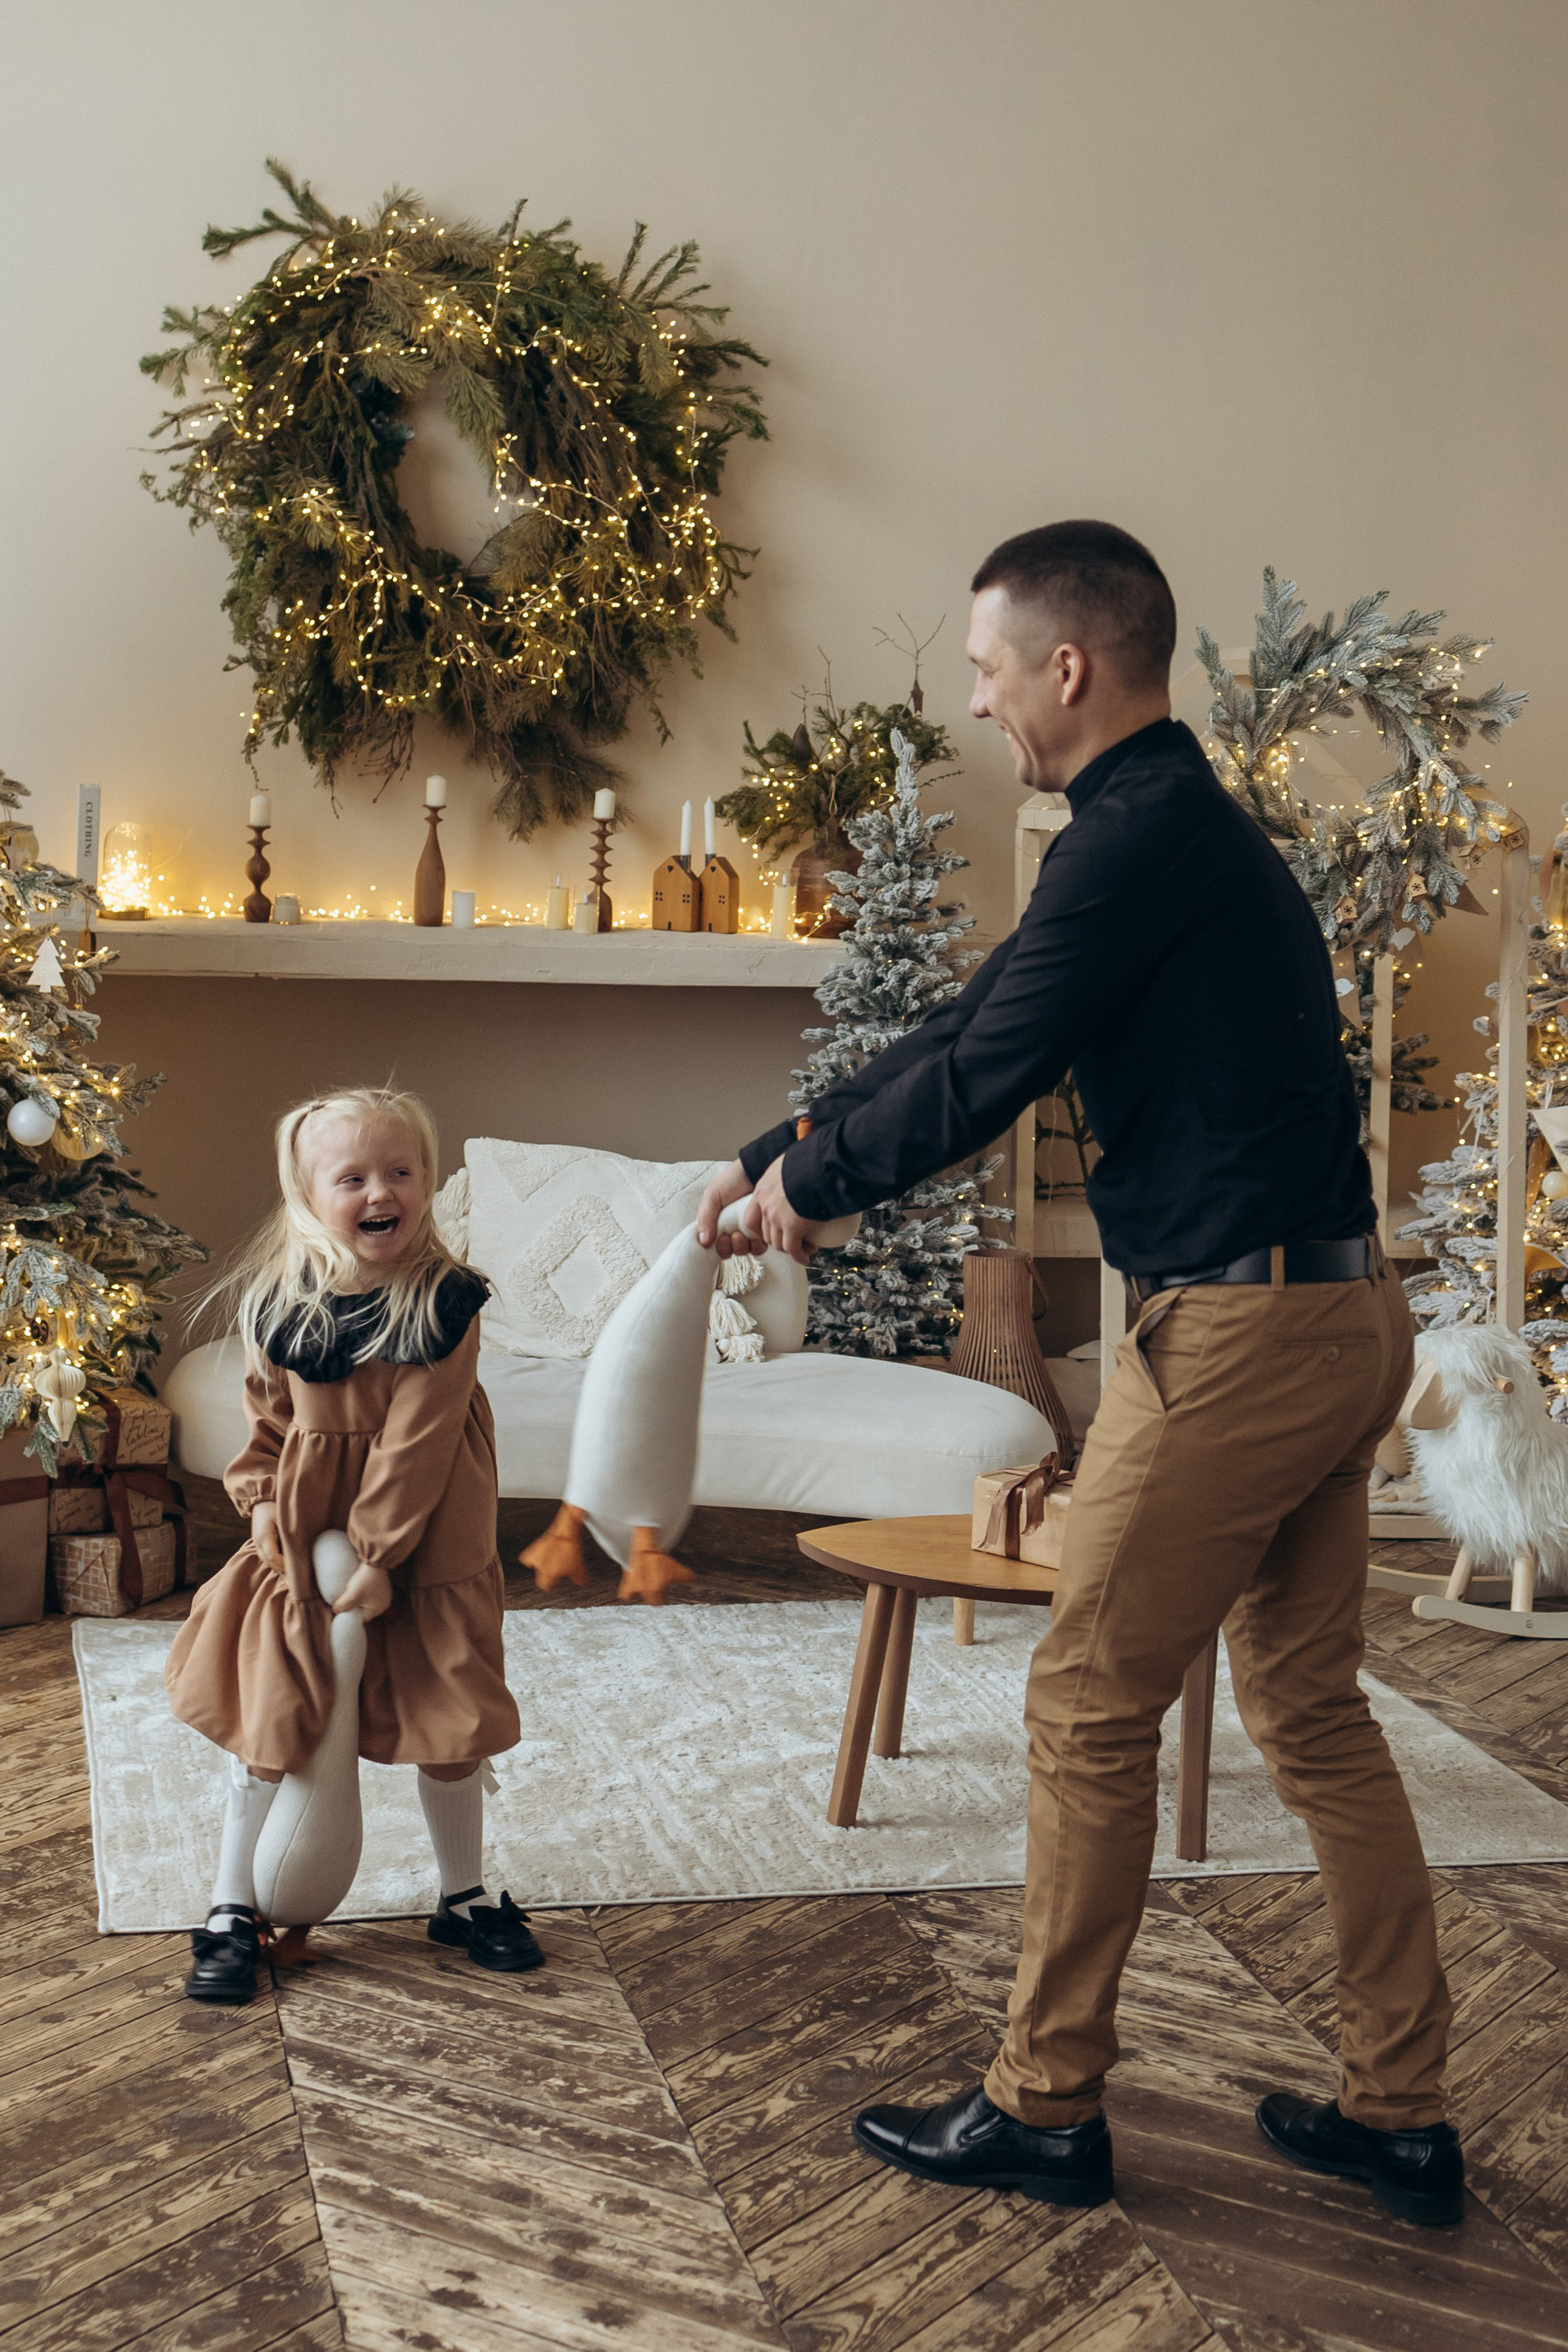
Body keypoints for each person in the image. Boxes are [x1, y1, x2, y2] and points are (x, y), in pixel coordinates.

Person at [697, 521, 1462, 2230]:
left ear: (1066, 667)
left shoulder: (1138, 839)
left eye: (984, 671)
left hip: (1246, 1338)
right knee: (1314, 1709)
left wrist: (800, 1201)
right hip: (1340, 1316)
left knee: (1085, 1703)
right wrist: (779, 1152)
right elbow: (982, 1017)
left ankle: (1046, 2108)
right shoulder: (1163, 832)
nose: (977, 703)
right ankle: (1401, 2112)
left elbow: (982, 1064)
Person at [165, 1085, 539, 2003]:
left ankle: (461, 1895)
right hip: (304, 1533)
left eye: (401, 1171)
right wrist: (258, 1499)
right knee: (276, 1707)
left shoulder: (447, 1304)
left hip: (429, 1535)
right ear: (309, 1196)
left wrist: (377, 1559)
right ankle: (231, 1907)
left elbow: (421, 1442)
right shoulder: (280, 1304)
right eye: (355, 1177)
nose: (383, 1191)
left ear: (427, 1185)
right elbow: (267, 1421)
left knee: (449, 1714)